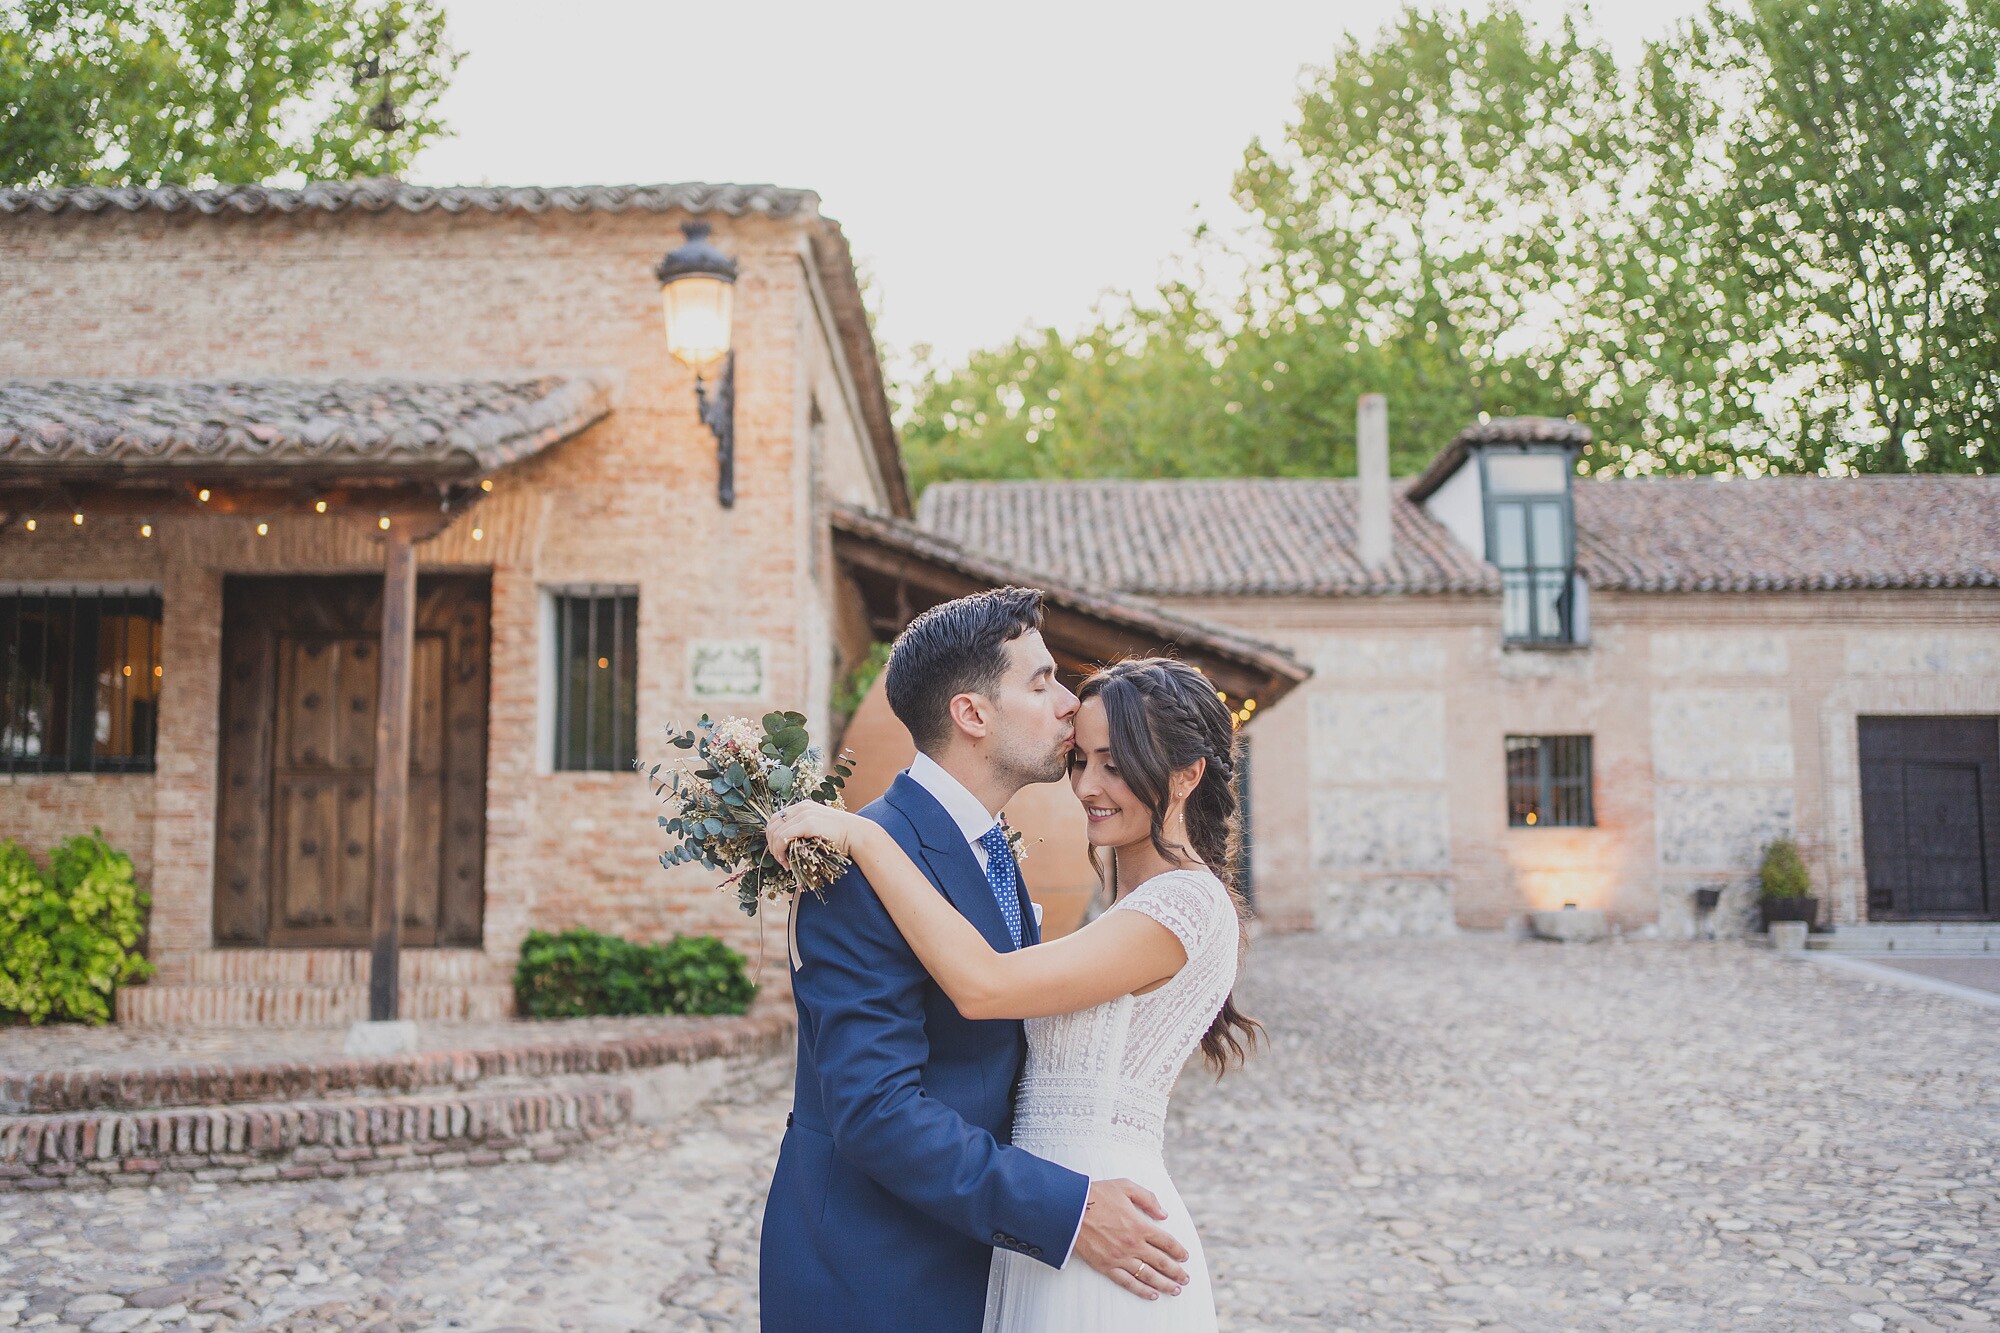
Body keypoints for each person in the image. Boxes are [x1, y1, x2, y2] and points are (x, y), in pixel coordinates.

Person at [767, 630, 1260, 1332]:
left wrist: (867, 838)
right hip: (1037, 1230)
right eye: (1085, 761)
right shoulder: (1108, 900)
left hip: (1102, 1222)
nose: (1087, 784)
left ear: (1186, 775)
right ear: (971, 713)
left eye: (1117, 766)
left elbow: (984, 986)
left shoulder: (1183, 903)